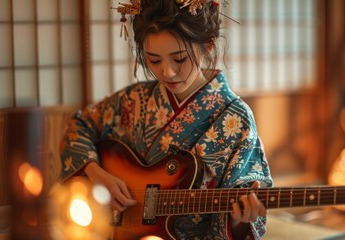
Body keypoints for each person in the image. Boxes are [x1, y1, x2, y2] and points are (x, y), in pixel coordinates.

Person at [59, 0, 273, 239]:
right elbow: (79, 125)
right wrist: (96, 173)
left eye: (179, 59)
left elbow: (242, 215)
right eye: (154, 60)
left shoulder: (236, 119)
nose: (167, 72)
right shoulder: (135, 99)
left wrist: (239, 220)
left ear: (209, 46)